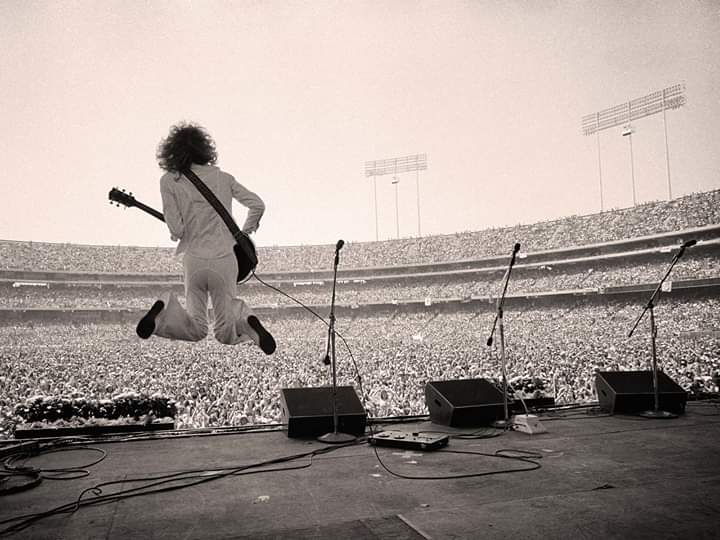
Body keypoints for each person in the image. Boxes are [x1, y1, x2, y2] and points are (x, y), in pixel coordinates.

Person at [136, 122, 276, 354]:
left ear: (171, 151)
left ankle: (163, 310)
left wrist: (179, 228)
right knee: (225, 331)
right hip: (224, 260)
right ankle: (246, 320)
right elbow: (257, 205)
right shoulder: (224, 178)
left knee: (197, 328)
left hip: (194, 261)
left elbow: (177, 231)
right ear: (205, 149)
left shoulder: (169, 181)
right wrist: (244, 232)